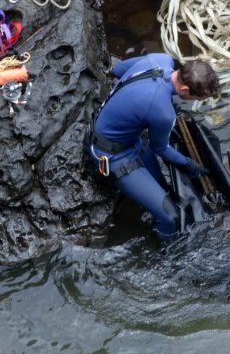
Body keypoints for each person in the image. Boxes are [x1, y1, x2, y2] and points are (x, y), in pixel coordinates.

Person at [87, 53, 221, 240]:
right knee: (170, 216)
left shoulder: (160, 59)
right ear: (184, 89)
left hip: (115, 133)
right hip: (109, 156)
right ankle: (171, 257)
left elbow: (117, 71)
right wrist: (188, 163)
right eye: (197, 98)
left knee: (162, 187)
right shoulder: (163, 112)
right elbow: (160, 149)